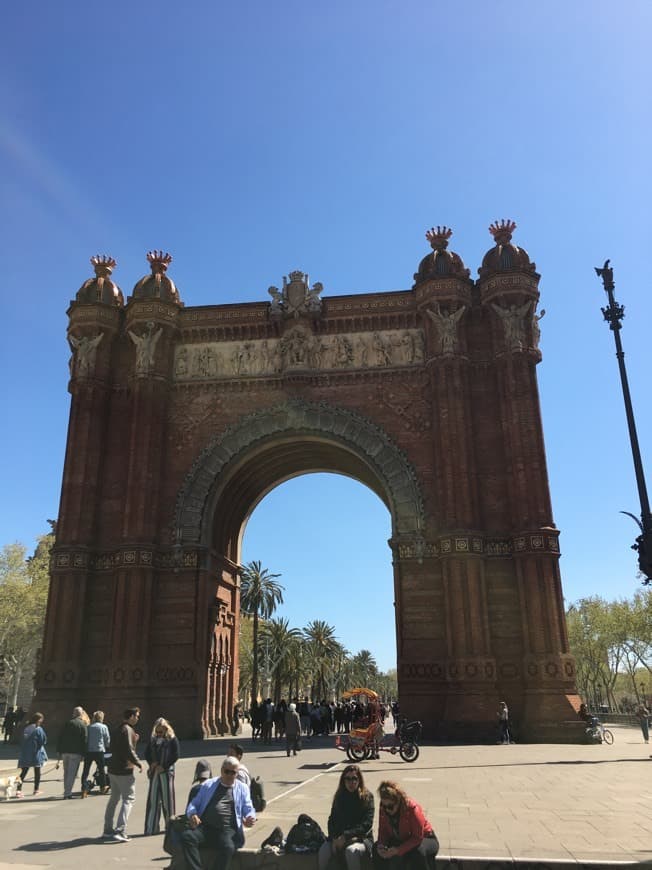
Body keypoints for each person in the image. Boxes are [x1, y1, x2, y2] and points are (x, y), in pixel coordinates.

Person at [179, 755, 256, 870]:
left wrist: (250, 817)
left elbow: (248, 808)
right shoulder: (208, 785)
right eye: (227, 771)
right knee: (187, 837)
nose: (229, 775)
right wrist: (193, 814)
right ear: (221, 770)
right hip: (206, 827)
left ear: (237, 774)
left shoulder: (242, 788)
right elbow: (193, 804)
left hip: (227, 829)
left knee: (228, 847)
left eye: (233, 773)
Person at [318, 764, 374, 870]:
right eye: (348, 779)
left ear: (359, 780)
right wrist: (334, 838)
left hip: (361, 838)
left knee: (351, 851)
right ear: (343, 781)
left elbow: (367, 824)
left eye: (354, 779)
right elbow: (332, 820)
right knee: (324, 850)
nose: (351, 782)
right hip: (339, 837)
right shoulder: (339, 796)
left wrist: (346, 836)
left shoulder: (367, 797)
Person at [373, 780, 438, 870]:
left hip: (425, 838)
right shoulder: (383, 809)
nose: (387, 810)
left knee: (418, 851)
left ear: (398, 802)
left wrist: (398, 850)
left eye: (390, 806)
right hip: (401, 839)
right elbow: (383, 831)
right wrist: (381, 845)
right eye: (384, 806)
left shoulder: (412, 808)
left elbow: (417, 837)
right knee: (376, 849)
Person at [103, 707, 143, 842]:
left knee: (114, 799)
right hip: (124, 769)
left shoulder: (118, 728)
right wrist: (139, 763)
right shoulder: (128, 729)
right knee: (128, 799)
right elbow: (128, 750)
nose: (137, 718)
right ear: (131, 716)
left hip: (113, 769)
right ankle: (120, 830)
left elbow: (117, 746)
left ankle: (107, 829)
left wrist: (134, 740)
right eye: (136, 716)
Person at [143, 717, 180, 835]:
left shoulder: (172, 740)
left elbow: (176, 755)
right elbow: (147, 753)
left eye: (161, 731)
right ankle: (151, 828)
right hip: (155, 772)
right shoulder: (153, 740)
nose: (159, 734)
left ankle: (171, 828)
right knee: (153, 800)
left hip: (167, 772)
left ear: (166, 729)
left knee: (167, 800)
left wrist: (164, 766)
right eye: (157, 731)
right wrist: (152, 763)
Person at [57, 706, 89, 798]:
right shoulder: (83, 724)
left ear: (74, 713)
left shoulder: (67, 723)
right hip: (76, 752)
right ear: (81, 714)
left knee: (66, 772)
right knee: (72, 773)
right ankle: (67, 792)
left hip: (65, 751)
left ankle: (66, 791)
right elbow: (85, 740)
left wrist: (59, 750)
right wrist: (84, 753)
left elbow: (60, 736)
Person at [17, 712, 48, 797]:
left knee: (23, 772)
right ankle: (36, 790)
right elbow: (43, 740)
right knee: (37, 772)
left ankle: (18, 790)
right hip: (35, 753)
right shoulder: (38, 729)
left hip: (25, 753)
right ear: (39, 720)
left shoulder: (26, 728)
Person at [81, 710, 111, 796]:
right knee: (101, 770)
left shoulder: (89, 727)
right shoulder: (103, 727)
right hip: (99, 750)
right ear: (102, 718)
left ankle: (84, 788)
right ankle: (103, 787)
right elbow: (107, 740)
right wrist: (107, 746)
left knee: (86, 770)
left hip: (89, 751)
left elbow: (86, 739)